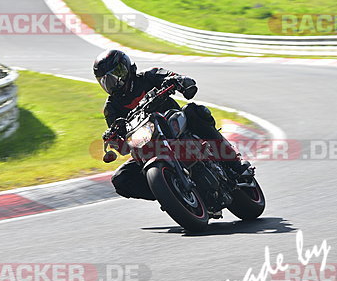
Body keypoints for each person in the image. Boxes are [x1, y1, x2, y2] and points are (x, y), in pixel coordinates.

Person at [93, 48, 251, 201]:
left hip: (175, 124)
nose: (113, 83)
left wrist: (180, 81)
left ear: (126, 67)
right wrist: (113, 138)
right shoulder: (111, 108)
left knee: (194, 111)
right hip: (148, 145)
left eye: (116, 75)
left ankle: (234, 163)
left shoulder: (149, 76)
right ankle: (173, 192)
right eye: (106, 81)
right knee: (121, 179)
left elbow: (175, 77)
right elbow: (124, 148)